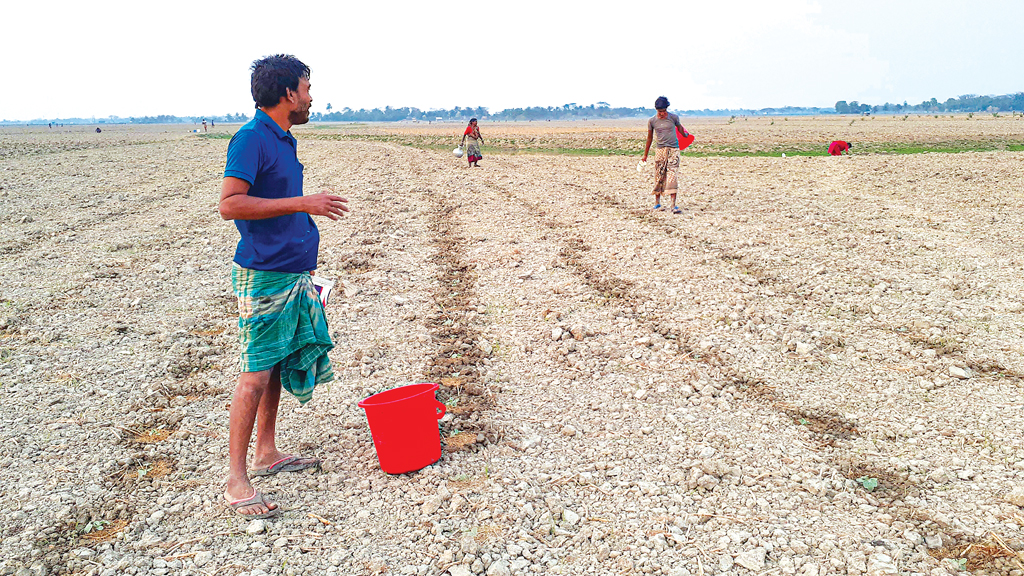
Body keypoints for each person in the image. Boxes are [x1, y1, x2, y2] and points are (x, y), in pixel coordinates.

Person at [218, 54, 350, 518]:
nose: (312, 97)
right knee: (255, 371)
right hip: (265, 274)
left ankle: (267, 452)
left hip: (292, 272)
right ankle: (237, 480)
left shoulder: (283, 139)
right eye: (307, 88)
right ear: (288, 93)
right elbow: (230, 204)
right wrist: (304, 203)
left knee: (273, 365)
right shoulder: (251, 138)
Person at [642, 96, 688, 214]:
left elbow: (680, 128)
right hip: (660, 150)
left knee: (673, 175)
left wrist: (685, 135)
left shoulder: (673, 117)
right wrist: (645, 155)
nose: (661, 114)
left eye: (663, 111)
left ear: (666, 109)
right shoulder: (652, 121)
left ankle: (673, 205)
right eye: (659, 111)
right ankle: (657, 203)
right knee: (659, 175)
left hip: (674, 150)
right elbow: (649, 138)